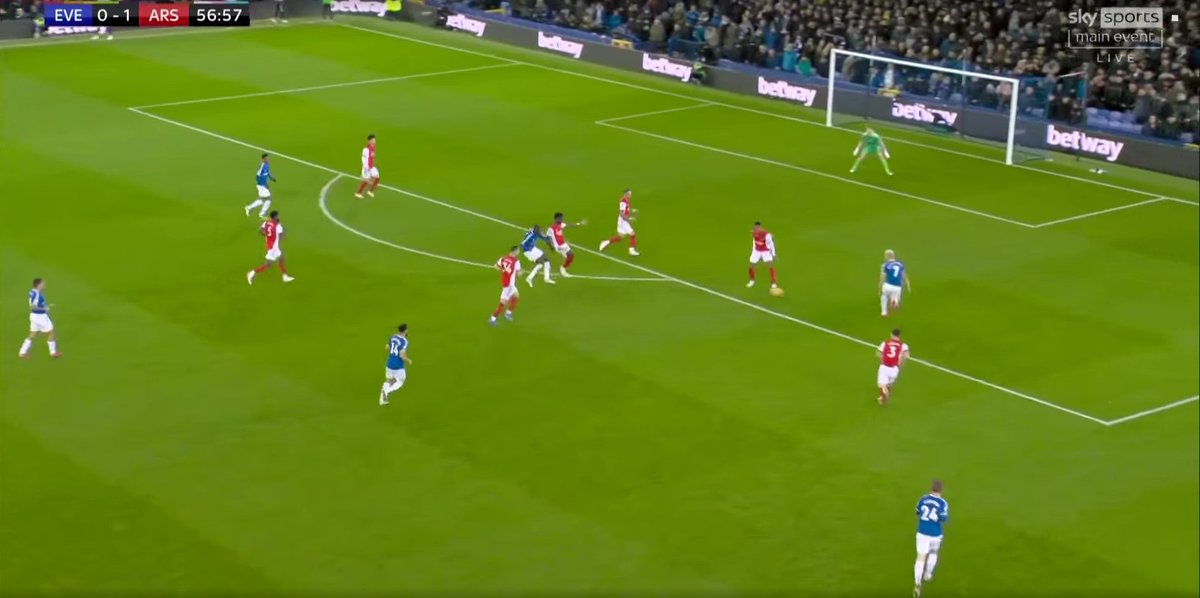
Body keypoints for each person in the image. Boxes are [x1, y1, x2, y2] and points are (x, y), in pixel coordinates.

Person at [913, 480, 949, 597]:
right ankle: (928, 575)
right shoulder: (942, 503)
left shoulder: (923, 499)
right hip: (935, 534)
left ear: (931, 488)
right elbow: (943, 518)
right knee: (933, 553)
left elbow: (917, 512)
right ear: (941, 490)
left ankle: (917, 583)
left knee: (920, 557)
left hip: (922, 532)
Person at [247, 211, 295, 284]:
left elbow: (260, 231)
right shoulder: (278, 226)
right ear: (275, 216)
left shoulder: (266, 223)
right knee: (269, 264)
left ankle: (285, 276)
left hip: (270, 245)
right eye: (277, 216)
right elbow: (282, 236)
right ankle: (252, 273)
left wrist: (267, 235)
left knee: (281, 258)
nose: (278, 217)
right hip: (273, 248)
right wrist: (284, 233)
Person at [19, 278, 60, 359]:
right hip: (40, 317)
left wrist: (45, 306)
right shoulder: (37, 294)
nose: (44, 285)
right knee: (50, 332)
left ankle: (22, 352)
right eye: (43, 283)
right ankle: (53, 353)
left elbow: (35, 304)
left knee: (32, 334)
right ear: (39, 285)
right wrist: (44, 309)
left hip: (34, 316)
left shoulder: (32, 291)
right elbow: (32, 307)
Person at [598, 188, 639, 256]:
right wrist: (628, 220)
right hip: (623, 222)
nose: (630, 195)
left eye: (630, 194)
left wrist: (631, 211)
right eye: (629, 194)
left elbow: (626, 210)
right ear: (625, 194)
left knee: (619, 237)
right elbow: (621, 213)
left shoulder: (626, 200)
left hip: (623, 221)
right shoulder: (623, 201)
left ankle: (605, 242)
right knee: (632, 234)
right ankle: (631, 250)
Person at [489, 246, 521, 326]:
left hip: (506, 282)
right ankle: (493, 319)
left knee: (516, 295)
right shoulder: (516, 261)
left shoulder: (503, 258)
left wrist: (503, 270)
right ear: (515, 251)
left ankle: (508, 312)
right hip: (509, 285)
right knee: (503, 302)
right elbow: (519, 273)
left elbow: (496, 266)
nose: (518, 252)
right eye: (518, 251)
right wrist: (520, 273)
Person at [380, 324, 411, 406]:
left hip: (389, 363)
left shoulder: (393, 337)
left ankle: (384, 395)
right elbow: (401, 355)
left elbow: (387, 347)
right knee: (401, 380)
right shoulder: (404, 341)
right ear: (405, 330)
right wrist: (408, 360)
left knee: (391, 380)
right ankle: (386, 391)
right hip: (398, 366)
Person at [547, 212, 585, 279]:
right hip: (558, 246)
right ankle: (562, 270)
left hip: (563, 244)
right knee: (570, 254)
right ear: (556, 218)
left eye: (562, 218)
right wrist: (551, 246)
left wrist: (578, 224)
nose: (562, 219)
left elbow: (569, 225)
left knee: (571, 256)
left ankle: (563, 268)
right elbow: (548, 238)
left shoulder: (561, 224)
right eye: (561, 218)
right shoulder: (551, 228)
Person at [877, 328, 909, 405]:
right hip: (895, 369)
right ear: (899, 335)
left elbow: (878, 353)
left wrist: (881, 361)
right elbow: (906, 356)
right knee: (889, 384)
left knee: (881, 385)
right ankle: (882, 397)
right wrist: (901, 364)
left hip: (884, 366)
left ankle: (884, 396)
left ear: (891, 334)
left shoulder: (885, 343)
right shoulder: (903, 345)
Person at [879, 249, 911, 317]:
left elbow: (883, 277)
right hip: (897, 287)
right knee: (896, 298)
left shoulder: (885, 265)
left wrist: (880, 287)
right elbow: (904, 275)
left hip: (888, 285)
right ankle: (894, 301)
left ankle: (884, 312)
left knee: (884, 295)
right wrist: (907, 284)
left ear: (887, 256)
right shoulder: (900, 264)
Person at [746, 221, 777, 290]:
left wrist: (773, 254)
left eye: (757, 228)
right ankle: (752, 280)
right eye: (755, 228)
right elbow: (754, 241)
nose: (756, 229)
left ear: (760, 227)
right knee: (751, 265)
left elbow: (771, 244)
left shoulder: (766, 235)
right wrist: (754, 250)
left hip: (765, 251)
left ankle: (773, 283)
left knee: (770, 265)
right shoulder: (753, 232)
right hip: (757, 251)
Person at [244, 153, 276, 218]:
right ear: (263, 159)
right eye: (266, 158)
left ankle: (249, 208)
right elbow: (258, 176)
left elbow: (267, 172)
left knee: (262, 200)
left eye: (268, 158)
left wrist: (271, 178)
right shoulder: (262, 166)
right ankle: (262, 214)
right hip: (261, 185)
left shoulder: (267, 165)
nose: (268, 159)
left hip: (263, 185)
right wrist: (264, 184)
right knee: (269, 199)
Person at [355, 134, 379, 198]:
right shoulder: (366, 149)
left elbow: (371, 156)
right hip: (367, 167)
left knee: (377, 178)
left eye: (374, 140)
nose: (374, 141)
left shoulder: (373, 146)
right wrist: (366, 167)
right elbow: (363, 158)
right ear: (369, 141)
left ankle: (370, 191)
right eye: (373, 140)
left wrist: (373, 159)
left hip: (372, 166)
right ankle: (358, 193)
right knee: (365, 181)